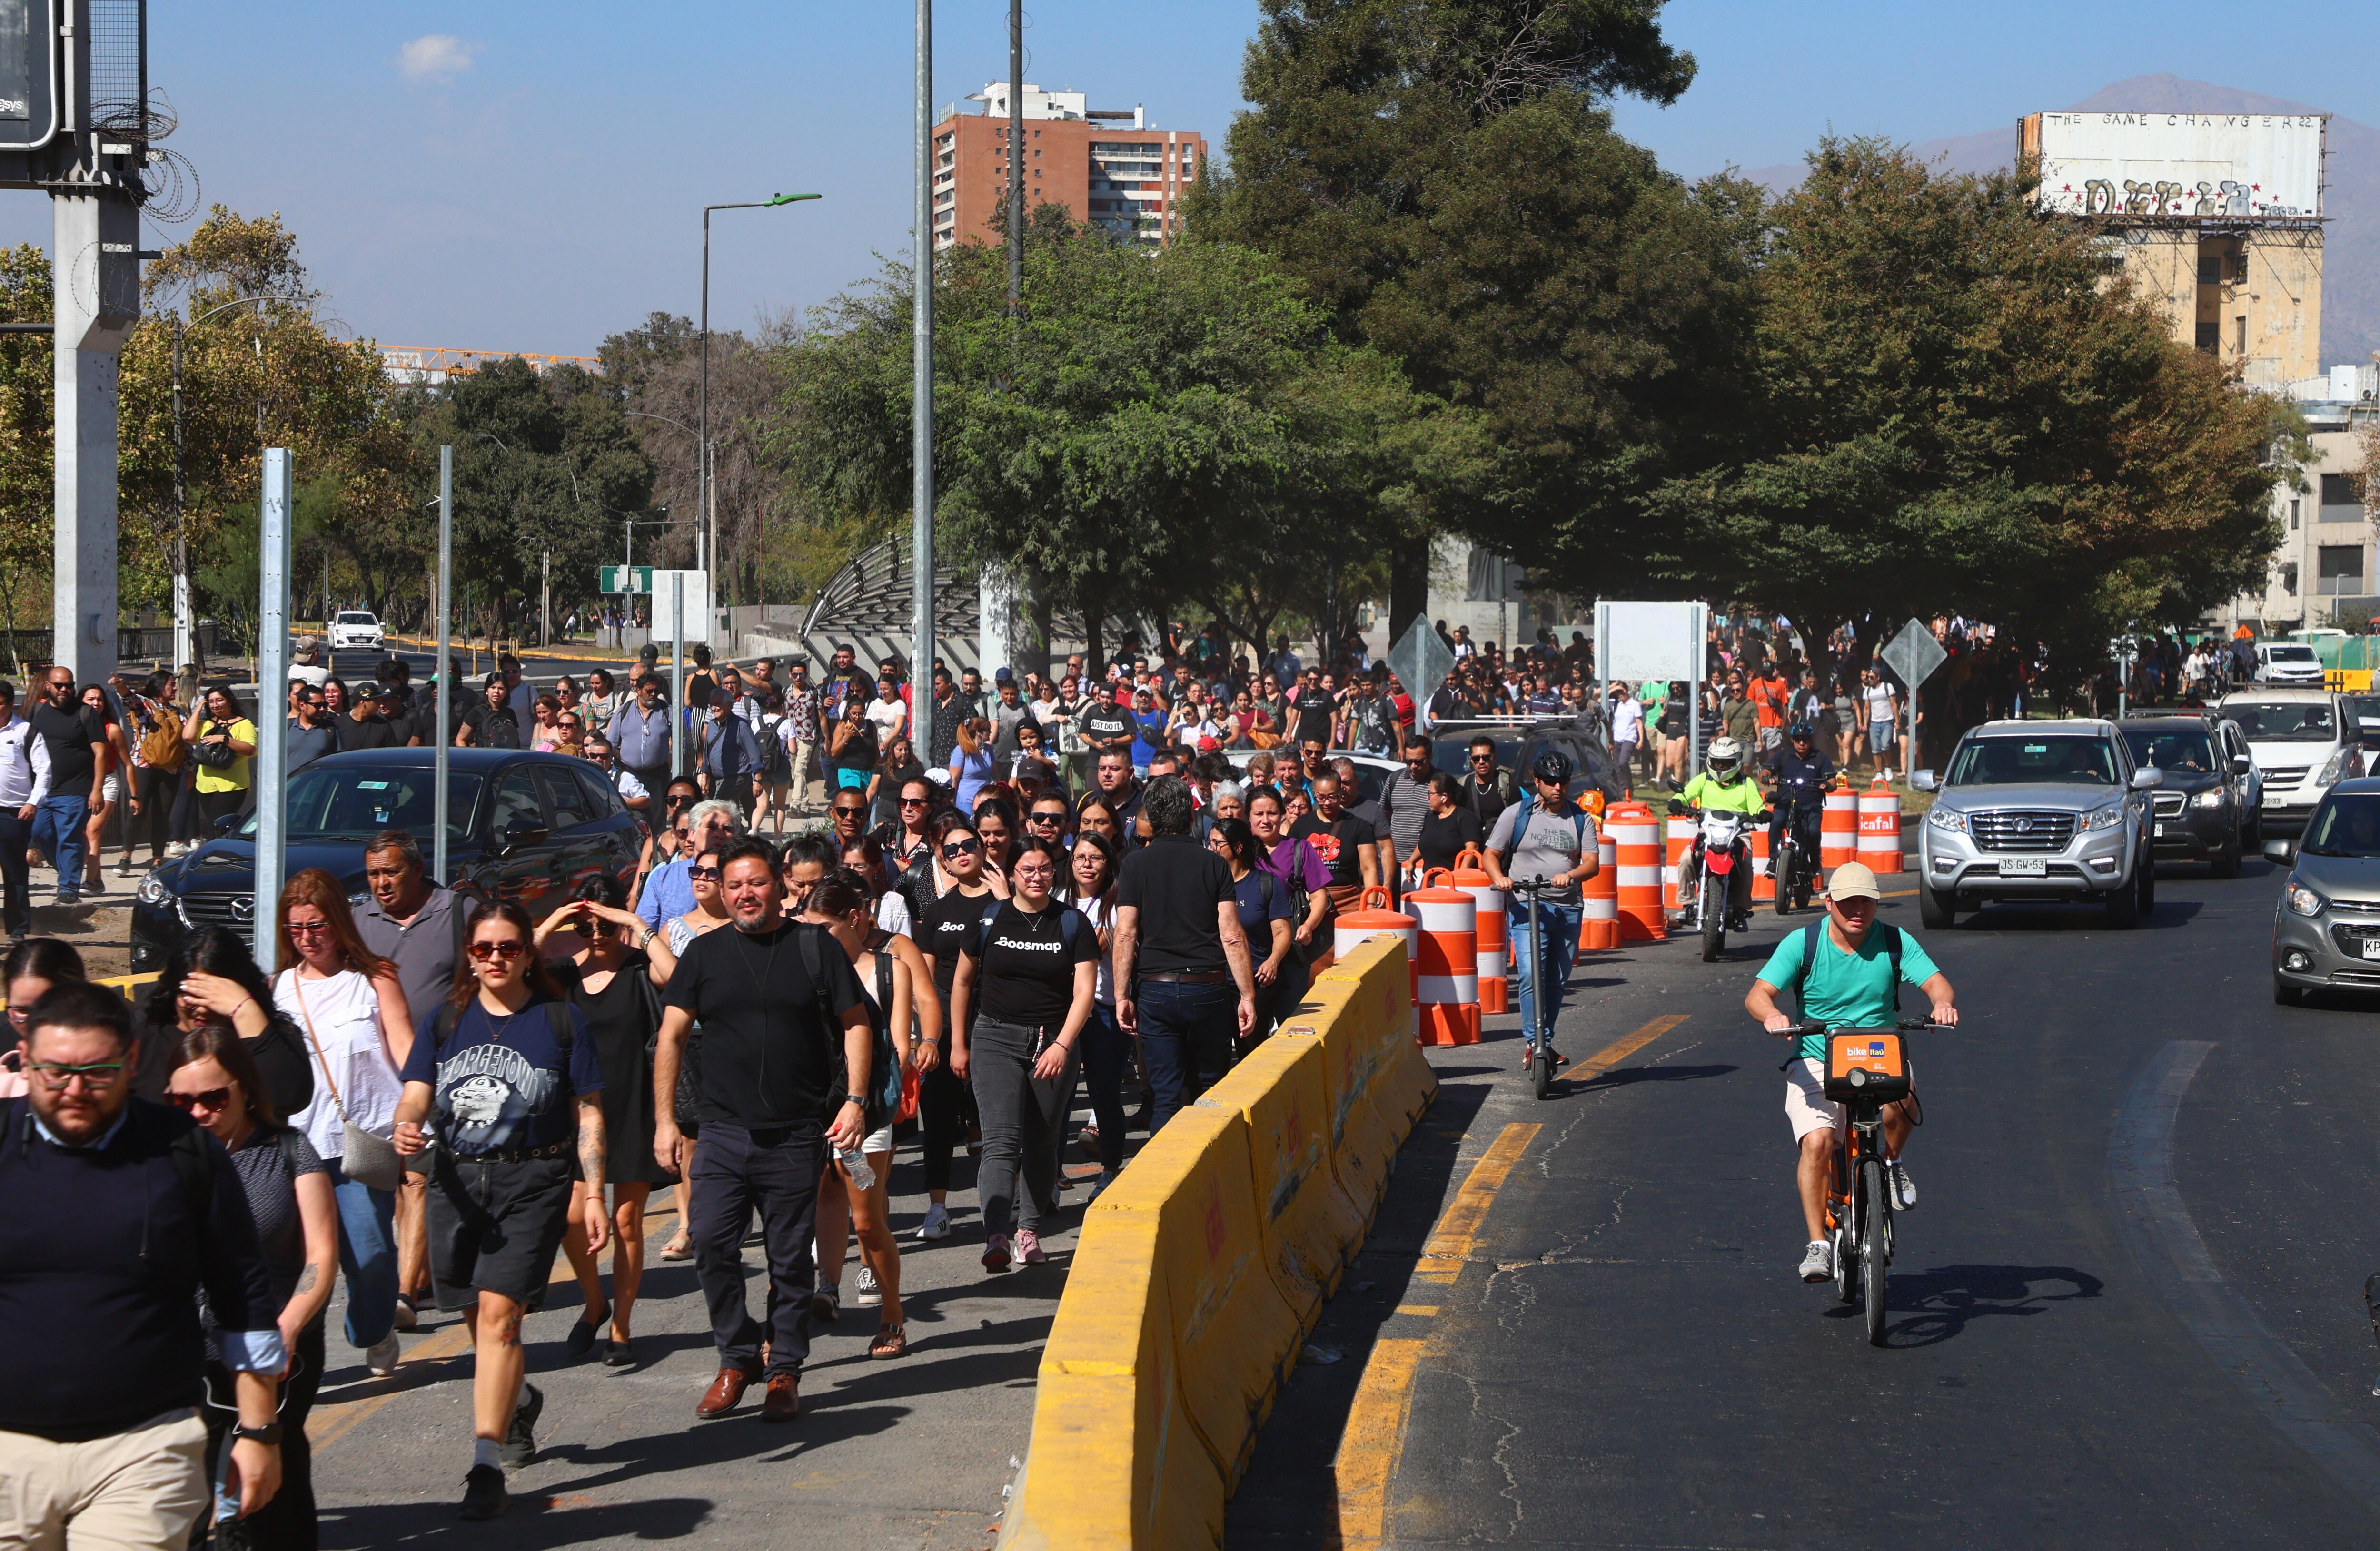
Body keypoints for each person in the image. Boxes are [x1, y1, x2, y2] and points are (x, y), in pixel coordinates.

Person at [0, 982, 287, 1547]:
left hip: (145, 1450)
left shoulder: (182, 1149)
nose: (76, 1090)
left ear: (132, 1059)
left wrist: (260, 1431)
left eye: (99, 1072)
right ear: (26, 1060)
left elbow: (243, 1294)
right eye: (55, 1072)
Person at [392, 900, 607, 1520]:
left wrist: (592, 1192)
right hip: (455, 1182)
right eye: (483, 948)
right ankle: (515, 1401)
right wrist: (406, 1128)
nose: (495, 958)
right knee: (474, 1315)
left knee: (500, 1317)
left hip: (533, 1180)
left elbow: (589, 1110)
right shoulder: (445, 1020)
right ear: (468, 952)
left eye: (508, 947)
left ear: (527, 952)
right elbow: (415, 1094)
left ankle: (485, 1466)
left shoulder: (560, 1021)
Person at [652, 838, 871, 1425]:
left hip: (796, 1132)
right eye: (734, 886)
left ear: (779, 885)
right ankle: (739, 1356)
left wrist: (854, 1100)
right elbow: (671, 1036)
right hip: (722, 1130)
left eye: (755, 883)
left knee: (788, 1261)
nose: (745, 894)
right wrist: (665, 1121)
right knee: (713, 1244)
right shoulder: (703, 954)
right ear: (722, 893)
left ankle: (784, 1371)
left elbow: (855, 1023)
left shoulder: (814, 947)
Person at [166, 1021, 339, 1551]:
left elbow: (322, 1255)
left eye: (214, 1098)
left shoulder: (287, 1150)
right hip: (188, 1350)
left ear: (244, 1087)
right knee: (187, 1482)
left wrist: (284, 1329)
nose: (199, 1112)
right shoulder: (162, 1159)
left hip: (278, 1341)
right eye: (183, 1102)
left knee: (271, 1477)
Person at [1743, 861, 1959, 1284]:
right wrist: (1771, 1015)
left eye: (1866, 901)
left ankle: (1892, 1164)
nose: (1857, 910)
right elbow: (1758, 994)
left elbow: (1938, 984)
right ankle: (1817, 1243)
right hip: (1817, 1056)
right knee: (1819, 1142)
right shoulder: (1803, 943)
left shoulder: (1895, 941)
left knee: (1905, 1099)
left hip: (1878, 1052)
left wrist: (1942, 1005)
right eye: (1847, 903)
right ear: (1830, 904)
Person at [276, 869, 415, 1381]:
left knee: (374, 1255)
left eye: (317, 926)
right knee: (301, 1266)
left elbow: (403, 1049)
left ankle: (372, 1328)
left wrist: (416, 1112)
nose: (307, 938)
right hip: (297, 1150)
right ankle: (292, 1357)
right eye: (295, 929)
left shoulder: (373, 978)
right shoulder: (279, 990)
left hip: (361, 1142)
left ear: (338, 922)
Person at [538, 875, 677, 1367]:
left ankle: (621, 1325)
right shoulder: (563, 972)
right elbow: (517, 963)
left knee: (625, 1221)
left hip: (635, 1104)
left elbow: (677, 976)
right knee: (572, 1218)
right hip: (581, 1112)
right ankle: (593, 1302)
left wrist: (635, 923)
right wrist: (556, 918)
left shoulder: (640, 966)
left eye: (603, 924)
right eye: (586, 926)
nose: (595, 935)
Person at [950, 838, 1098, 1271]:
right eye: (1028, 870)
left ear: (1056, 873)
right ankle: (997, 1233)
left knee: (1042, 1140)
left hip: (1053, 1043)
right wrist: (958, 1042)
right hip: (994, 1037)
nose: (1038, 877)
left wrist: (1062, 1044)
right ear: (1010, 874)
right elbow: (962, 982)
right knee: (1001, 1139)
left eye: (1046, 869)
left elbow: (1084, 991)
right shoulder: (989, 919)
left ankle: (1028, 1231)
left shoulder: (1072, 924)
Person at [798, 874, 912, 1354]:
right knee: (823, 1195)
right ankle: (827, 1283)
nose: (814, 937)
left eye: (822, 927)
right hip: (811, 1110)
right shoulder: (802, 966)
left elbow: (900, 1048)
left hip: (862, 1116)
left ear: (853, 918)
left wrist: (862, 1103)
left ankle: (892, 1314)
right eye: (807, 927)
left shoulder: (890, 970)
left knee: (866, 1217)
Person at [1113, 777, 1258, 1133]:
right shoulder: (1214, 864)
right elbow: (1232, 935)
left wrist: (1121, 995)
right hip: (1207, 987)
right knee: (1211, 1090)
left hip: (1156, 988)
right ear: (1191, 814)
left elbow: (1125, 933)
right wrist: (1247, 995)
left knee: (1165, 1097)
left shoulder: (1135, 865)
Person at [1480, 752, 1600, 1072]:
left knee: (1556, 980)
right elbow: (1490, 854)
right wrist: (1500, 878)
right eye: (1550, 781)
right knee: (1532, 974)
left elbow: (1591, 863)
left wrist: (1570, 876)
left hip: (1567, 906)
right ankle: (1537, 1044)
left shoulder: (1580, 818)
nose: (1557, 787)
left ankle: (1543, 1041)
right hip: (1526, 904)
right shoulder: (1517, 814)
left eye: (1563, 781)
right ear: (1538, 782)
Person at [913, 814, 1003, 1240]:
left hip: (997, 1019)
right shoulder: (937, 911)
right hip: (947, 1024)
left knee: (999, 1115)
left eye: (968, 845)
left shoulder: (1007, 900)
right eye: (951, 850)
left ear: (983, 849)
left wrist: (1006, 900)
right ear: (943, 861)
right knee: (939, 1114)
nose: (961, 853)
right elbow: (925, 980)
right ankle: (937, 1207)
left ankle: (1010, 1197)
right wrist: (927, 1034)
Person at [131, 927, 316, 1123]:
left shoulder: (272, 1036)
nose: (202, 1008)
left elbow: (289, 1098)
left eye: (212, 996)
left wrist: (245, 1011)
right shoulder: (142, 1041)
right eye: (191, 995)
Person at [1207, 817, 1293, 1039]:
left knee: (1251, 1050)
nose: (1211, 849)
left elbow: (1282, 930)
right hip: (1215, 984)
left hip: (1256, 982)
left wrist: (1273, 960)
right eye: (1210, 843)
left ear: (1237, 847)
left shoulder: (1265, 884)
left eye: (1218, 843)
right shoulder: (1205, 885)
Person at [30, 666, 107, 906]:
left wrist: (97, 789)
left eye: (69, 686)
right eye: (59, 686)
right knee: (39, 834)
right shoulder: (37, 711)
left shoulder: (85, 713)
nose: (65, 690)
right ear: (48, 686)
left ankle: (68, 889)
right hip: (42, 791)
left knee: (70, 838)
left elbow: (101, 752)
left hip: (76, 790)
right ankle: (67, 871)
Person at [1673, 736, 1767, 932]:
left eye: (1726, 763)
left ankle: (1741, 910)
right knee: (1685, 860)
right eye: (1717, 763)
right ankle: (1687, 903)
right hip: (1707, 832)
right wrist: (1677, 801)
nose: (1721, 767)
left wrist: (1762, 813)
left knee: (1748, 864)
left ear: (1737, 762)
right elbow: (1686, 794)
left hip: (1739, 834)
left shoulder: (1747, 784)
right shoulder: (1703, 780)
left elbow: (1757, 805)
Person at [637, 799, 741, 934]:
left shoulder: (743, 878)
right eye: (711, 827)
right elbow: (642, 932)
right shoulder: (663, 877)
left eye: (727, 829)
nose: (719, 834)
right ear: (692, 834)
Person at [1763, 721, 1837, 906]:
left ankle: (1814, 859)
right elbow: (1766, 769)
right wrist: (1766, 776)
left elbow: (1833, 781)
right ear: (1793, 740)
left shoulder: (1820, 758)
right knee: (1776, 822)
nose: (1802, 743)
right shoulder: (1784, 756)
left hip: (1811, 805)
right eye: (1798, 740)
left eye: (1805, 740)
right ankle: (1773, 860)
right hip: (1786, 803)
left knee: (1813, 831)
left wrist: (1827, 785)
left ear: (1810, 741)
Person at [0, 680, 47, 939]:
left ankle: (17, 929)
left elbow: (44, 772)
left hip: (13, 814)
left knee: (15, 873)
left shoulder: (26, 732)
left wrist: (32, 802)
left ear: (10, 705)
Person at [1298, 771, 1380, 919]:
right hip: (1310, 900)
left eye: (1332, 797)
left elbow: (1369, 869)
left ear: (1341, 792)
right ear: (1314, 794)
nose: (1327, 803)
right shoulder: (1302, 825)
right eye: (1321, 798)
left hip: (1349, 900)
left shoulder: (1358, 826)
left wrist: (1370, 905)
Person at [1409, 772, 1485, 879]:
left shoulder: (1465, 817)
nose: (1427, 798)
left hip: (1453, 884)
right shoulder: (1430, 817)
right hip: (1429, 882)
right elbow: (1424, 843)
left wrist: (1461, 873)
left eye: (1430, 794)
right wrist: (1412, 861)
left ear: (1444, 797)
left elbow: (1472, 848)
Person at [456, 672, 522, 750]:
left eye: (501, 688)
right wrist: (470, 758)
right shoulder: (476, 712)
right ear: (487, 691)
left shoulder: (510, 713)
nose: (496, 692)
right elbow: (460, 740)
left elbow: (515, 740)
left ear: (506, 693)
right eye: (493, 687)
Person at [1861, 666, 1899, 780]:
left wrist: (1897, 721)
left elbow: (1894, 705)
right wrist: (1865, 723)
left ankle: (1888, 767)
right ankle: (1879, 772)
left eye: (1872, 677)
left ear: (1878, 677)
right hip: (1874, 723)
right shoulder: (1868, 691)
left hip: (1887, 721)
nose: (1870, 679)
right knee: (1875, 749)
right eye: (1868, 677)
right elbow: (1867, 709)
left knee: (1886, 745)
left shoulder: (1888, 687)